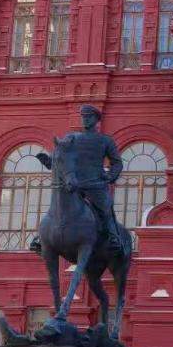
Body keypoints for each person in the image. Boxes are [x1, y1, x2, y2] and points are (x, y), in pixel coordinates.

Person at [33, 104, 124, 253]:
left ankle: (113, 236)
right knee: (57, 206)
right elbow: (60, 157)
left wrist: (110, 177)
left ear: (96, 119)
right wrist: (49, 161)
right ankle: (41, 238)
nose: (85, 120)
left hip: (95, 185)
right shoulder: (71, 138)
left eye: (89, 117)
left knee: (105, 207)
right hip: (73, 184)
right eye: (83, 117)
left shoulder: (105, 141)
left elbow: (117, 163)